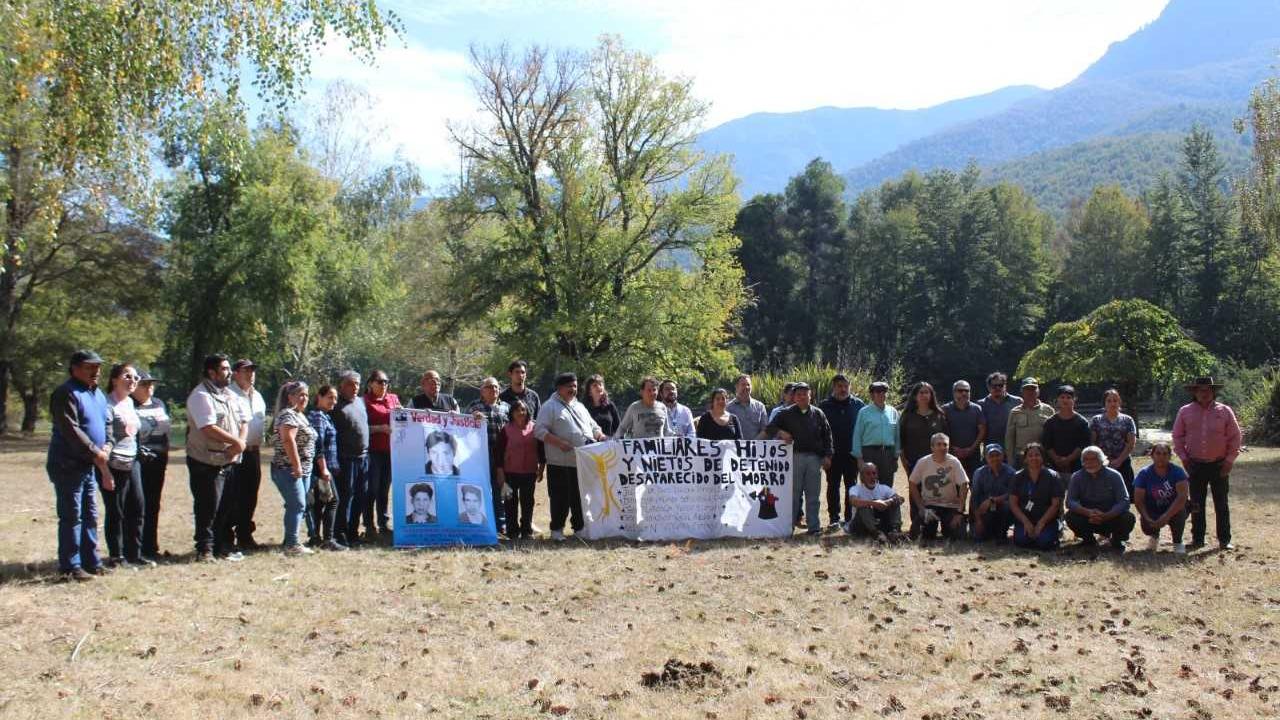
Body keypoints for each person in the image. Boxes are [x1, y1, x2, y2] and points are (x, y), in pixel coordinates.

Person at [47, 350, 111, 581]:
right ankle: (70, 566)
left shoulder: (98, 394)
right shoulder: (66, 393)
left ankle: (91, 561)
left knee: (90, 514)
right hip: (67, 464)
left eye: (98, 367)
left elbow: (107, 422)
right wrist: (95, 452)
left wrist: (107, 446)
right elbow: (70, 429)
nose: (95, 371)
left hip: (88, 465)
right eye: (89, 367)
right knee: (72, 515)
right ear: (74, 369)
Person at [185, 354, 248, 562]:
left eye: (229, 368)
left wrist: (239, 443)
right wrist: (236, 443)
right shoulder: (201, 396)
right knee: (207, 508)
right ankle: (204, 550)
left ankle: (221, 547)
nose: (229, 372)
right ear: (211, 372)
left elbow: (242, 421)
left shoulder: (228, 395)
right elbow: (208, 427)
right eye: (224, 369)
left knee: (225, 507)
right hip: (206, 462)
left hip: (228, 460)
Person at [1172, 376, 1241, 551]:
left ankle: (1224, 540)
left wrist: (1229, 461)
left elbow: (1235, 437)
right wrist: (1185, 459)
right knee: (1196, 504)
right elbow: (1177, 437)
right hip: (1195, 464)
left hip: (1219, 464)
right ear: (1194, 392)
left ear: (1213, 392)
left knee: (1221, 503)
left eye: (1208, 390)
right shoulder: (1185, 411)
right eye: (1200, 390)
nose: (1204, 393)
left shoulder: (1225, 411)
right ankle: (1198, 538)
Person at [535, 372, 606, 540]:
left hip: (581, 462)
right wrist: (559, 442)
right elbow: (539, 431)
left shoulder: (580, 406)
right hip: (559, 462)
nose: (573, 389)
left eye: (575, 386)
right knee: (560, 497)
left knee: (579, 497)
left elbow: (593, 426)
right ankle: (557, 530)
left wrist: (600, 436)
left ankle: (579, 528)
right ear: (559, 388)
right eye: (569, 386)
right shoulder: (549, 406)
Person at [766, 383, 834, 537]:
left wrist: (828, 455)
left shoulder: (818, 414)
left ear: (811, 395)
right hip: (794, 458)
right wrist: (782, 432)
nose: (802, 397)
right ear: (794, 397)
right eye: (799, 394)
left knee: (813, 495)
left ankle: (814, 527)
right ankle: (787, 528)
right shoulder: (786, 413)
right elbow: (770, 428)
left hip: (814, 459)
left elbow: (827, 436)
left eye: (805, 394)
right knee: (793, 495)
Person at [102, 363, 148, 568]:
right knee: (116, 511)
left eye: (136, 378)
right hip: (114, 463)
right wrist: (104, 471)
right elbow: (105, 438)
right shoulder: (107, 405)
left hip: (133, 462)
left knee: (137, 507)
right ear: (114, 380)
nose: (133, 381)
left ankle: (134, 554)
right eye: (127, 376)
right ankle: (116, 556)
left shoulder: (130, 403)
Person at [270, 381, 317, 556]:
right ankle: (292, 544)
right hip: (288, 469)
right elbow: (288, 441)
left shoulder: (300, 415)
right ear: (290, 397)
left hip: (304, 469)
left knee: (298, 505)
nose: (304, 398)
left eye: (306, 395)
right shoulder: (288, 415)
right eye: (300, 395)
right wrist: (297, 466)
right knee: (297, 504)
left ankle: (290, 539)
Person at [500, 360, 545, 532]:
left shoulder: (533, 397)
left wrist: (542, 462)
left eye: (523, 372)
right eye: (517, 372)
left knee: (528, 498)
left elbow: (540, 425)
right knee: (509, 497)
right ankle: (509, 527)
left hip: (529, 457)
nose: (521, 375)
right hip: (509, 456)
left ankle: (527, 526)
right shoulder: (503, 397)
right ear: (510, 374)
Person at [899, 381, 948, 537]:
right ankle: (917, 525)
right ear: (914, 396)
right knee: (916, 492)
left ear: (931, 395)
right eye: (921, 392)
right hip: (914, 461)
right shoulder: (907, 416)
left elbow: (946, 439)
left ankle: (933, 524)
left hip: (936, 462)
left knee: (935, 492)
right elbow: (901, 440)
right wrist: (903, 459)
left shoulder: (939, 415)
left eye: (927, 392)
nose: (924, 395)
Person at [228, 358, 267, 551]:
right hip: (234, 452)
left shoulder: (258, 396)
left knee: (250, 495)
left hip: (254, 451)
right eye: (246, 371)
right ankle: (227, 535)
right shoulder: (229, 394)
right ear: (235, 373)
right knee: (232, 495)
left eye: (252, 370)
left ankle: (245, 534)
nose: (250, 374)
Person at [1065, 446, 1135, 550]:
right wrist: (1087, 512)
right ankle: (1088, 541)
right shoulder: (1077, 477)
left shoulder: (1114, 475)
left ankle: (1116, 541)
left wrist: (1107, 515)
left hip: (1111, 516)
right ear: (1082, 462)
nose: (1090, 462)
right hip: (1088, 517)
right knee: (1070, 516)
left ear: (1102, 460)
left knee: (1128, 517)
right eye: (1086, 459)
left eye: (1093, 459)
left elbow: (1124, 501)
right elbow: (1070, 501)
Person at [132, 370, 170, 562]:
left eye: (151, 384)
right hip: (138, 462)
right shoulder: (129, 405)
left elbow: (165, 433)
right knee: (137, 505)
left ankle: (150, 546)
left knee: (153, 504)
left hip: (158, 460)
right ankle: (133, 548)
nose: (149, 388)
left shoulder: (159, 404)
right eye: (144, 384)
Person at [819, 374, 865, 529]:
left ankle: (849, 517)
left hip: (852, 454)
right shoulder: (824, 406)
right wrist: (825, 454)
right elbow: (821, 432)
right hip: (832, 454)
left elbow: (863, 431)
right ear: (834, 387)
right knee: (832, 485)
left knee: (851, 486)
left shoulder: (858, 405)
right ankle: (834, 518)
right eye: (839, 386)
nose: (843, 389)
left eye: (846, 386)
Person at [330, 370, 369, 548]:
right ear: (341, 386)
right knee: (346, 497)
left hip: (363, 457)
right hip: (345, 459)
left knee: (361, 496)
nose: (354, 388)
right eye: (350, 384)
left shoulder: (360, 402)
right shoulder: (336, 406)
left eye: (357, 384)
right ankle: (340, 533)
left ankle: (353, 532)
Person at [907, 433, 969, 541]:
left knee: (959, 536)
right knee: (920, 536)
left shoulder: (954, 462)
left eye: (945, 445)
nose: (942, 448)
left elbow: (964, 484)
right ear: (932, 447)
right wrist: (921, 508)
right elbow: (912, 483)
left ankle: (948, 528)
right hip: (930, 506)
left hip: (950, 506)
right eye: (939, 444)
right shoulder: (923, 462)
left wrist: (959, 512)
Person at [363, 369, 401, 542]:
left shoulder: (393, 399)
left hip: (391, 452)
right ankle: (369, 525)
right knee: (372, 488)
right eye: (380, 381)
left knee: (384, 490)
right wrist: (379, 429)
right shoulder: (363, 402)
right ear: (370, 383)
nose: (384, 385)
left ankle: (384, 523)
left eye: (386, 381)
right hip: (373, 452)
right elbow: (360, 428)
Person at [468, 376, 510, 533]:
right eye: (490, 387)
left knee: (501, 488)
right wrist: (473, 418)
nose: (494, 390)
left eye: (496, 387)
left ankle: (502, 524)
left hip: (502, 455)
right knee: (481, 488)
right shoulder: (473, 407)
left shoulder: (507, 407)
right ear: (482, 390)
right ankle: (482, 522)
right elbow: (460, 426)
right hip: (479, 455)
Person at [1133, 442, 1190, 555]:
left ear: (1170, 456)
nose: (1161, 457)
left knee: (1180, 510)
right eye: (1158, 453)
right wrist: (1147, 517)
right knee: (1147, 526)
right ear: (1152, 455)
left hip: (1173, 509)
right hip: (1153, 509)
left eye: (1165, 454)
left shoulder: (1178, 472)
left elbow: (1182, 497)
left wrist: (1166, 516)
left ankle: (1178, 542)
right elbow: (1138, 500)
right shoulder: (1144, 474)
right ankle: (1154, 536)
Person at [307, 385, 346, 550]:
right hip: (320, 468)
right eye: (330, 397)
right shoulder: (317, 417)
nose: (333, 401)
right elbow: (318, 446)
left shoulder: (325, 416)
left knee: (318, 504)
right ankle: (328, 539)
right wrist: (323, 469)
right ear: (319, 397)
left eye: (335, 398)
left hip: (324, 467)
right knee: (333, 501)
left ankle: (315, 538)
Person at [1008, 443, 1065, 550]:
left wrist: (1041, 523)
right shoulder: (1018, 477)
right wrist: (1026, 522)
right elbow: (1013, 503)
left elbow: (1055, 504)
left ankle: (1057, 529)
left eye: (1037, 455)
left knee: (1045, 542)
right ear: (1025, 459)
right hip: (1025, 518)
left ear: (1043, 457)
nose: (1034, 458)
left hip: (1047, 519)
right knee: (1021, 541)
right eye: (1030, 455)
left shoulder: (1053, 476)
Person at [497, 400, 540, 538]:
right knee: (510, 503)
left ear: (527, 412)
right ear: (512, 413)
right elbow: (498, 452)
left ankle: (526, 530)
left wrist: (542, 467)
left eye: (523, 410)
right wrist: (500, 473)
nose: (520, 413)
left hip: (529, 472)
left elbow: (541, 449)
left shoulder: (535, 428)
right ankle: (512, 531)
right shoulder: (506, 429)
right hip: (510, 472)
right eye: (517, 410)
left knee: (528, 503)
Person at [1090, 389, 1138, 501]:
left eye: (1115, 400)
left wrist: (1119, 460)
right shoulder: (1096, 420)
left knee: (1124, 495)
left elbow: (1131, 443)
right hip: (1101, 463)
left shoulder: (1128, 420)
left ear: (1119, 402)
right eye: (1109, 401)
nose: (1112, 403)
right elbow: (1092, 442)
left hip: (1123, 463)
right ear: (1104, 403)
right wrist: (1104, 460)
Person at [852, 381, 899, 490]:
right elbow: (857, 435)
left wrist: (896, 457)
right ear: (872, 395)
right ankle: (867, 507)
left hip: (888, 454)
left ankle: (885, 507)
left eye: (884, 392)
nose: (882, 394)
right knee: (868, 486)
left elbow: (897, 436)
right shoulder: (864, 412)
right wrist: (859, 458)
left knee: (887, 487)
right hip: (869, 453)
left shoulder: (893, 412)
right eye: (878, 392)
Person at [1004, 377, 1055, 469]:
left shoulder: (1049, 410)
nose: (1030, 392)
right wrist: (1011, 461)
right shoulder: (1015, 412)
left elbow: (1055, 436)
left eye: (1033, 389)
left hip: (1043, 457)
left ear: (1038, 391)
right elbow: (1009, 439)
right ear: (1022, 392)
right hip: (1021, 457)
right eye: (1027, 389)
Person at [846, 463, 904, 541]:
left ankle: (895, 531)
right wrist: (875, 503)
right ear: (862, 477)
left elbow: (901, 499)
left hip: (880, 522)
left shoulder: (884, 488)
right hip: (860, 525)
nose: (872, 477)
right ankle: (877, 534)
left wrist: (889, 501)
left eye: (874, 473)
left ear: (877, 475)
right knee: (864, 508)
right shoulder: (855, 489)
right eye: (868, 474)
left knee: (895, 502)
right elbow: (854, 501)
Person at [1041, 385, 1091, 477]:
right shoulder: (1050, 422)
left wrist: (1068, 459)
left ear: (1074, 399)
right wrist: (1057, 459)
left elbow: (1084, 444)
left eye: (1069, 397)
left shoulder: (1082, 422)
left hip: (1077, 466)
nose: (1065, 400)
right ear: (1058, 400)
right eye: (1062, 397)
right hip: (1054, 466)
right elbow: (1047, 444)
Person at [970, 444, 1015, 542]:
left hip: (1002, 509)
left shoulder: (1011, 473)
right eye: (991, 456)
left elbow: (1013, 494)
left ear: (1003, 456)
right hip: (984, 510)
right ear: (986, 458)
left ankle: (1002, 533)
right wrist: (978, 520)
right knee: (979, 538)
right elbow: (974, 498)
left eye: (997, 455)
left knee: (1006, 506)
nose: (995, 458)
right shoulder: (979, 473)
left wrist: (993, 500)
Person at [942, 380, 986, 478]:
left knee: (974, 484)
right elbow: (942, 432)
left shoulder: (977, 409)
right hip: (952, 454)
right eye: (960, 390)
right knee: (954, 484)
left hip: (973, 455)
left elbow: (982, 431)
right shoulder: (945, 410)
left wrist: (971, 449)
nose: (964, 393)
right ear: (954, 392)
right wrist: (952, 447)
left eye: (967, 391)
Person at [977, 372, 1018, 457]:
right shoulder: (981, 405)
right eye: (994, 386)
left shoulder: (1017, 402)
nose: (997, 388)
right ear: (988, 387)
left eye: (1000, 385)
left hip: (1012, 450)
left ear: (1005, 386)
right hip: (990, 451)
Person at [726, 374, 768, 440]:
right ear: (737, 387)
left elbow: (765, 429)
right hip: (735, 448)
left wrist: (752, 444)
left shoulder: (760, 407)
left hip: (756, 448)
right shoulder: (728, 408)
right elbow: (726, 430)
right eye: (743, 385)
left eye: (748, 385)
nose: (746, 387)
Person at [583, 374, 621, 438]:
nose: (599, 387)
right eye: (595, 385)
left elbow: (619, 428)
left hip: (610, 445)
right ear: (589, 392)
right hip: (591, 445)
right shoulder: (583, 408)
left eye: (600, 384)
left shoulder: (610, 405)